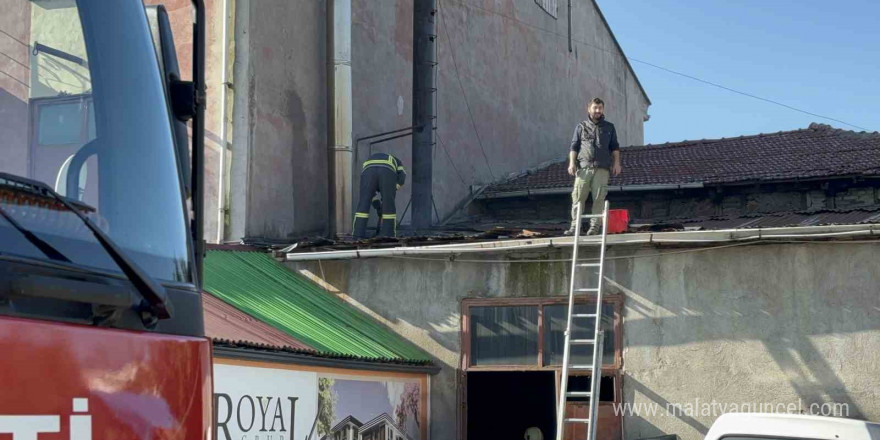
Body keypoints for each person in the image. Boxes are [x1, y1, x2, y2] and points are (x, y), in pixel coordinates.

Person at [565, 97, 622, 236]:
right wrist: (572, 163)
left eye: (600, 108)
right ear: (589, 109)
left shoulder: (609, 127)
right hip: (584, 167)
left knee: (599, 198)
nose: (597, 111)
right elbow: (574, 146)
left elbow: (614, 147)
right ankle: (575, 227)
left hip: (602, 168)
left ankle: (594, 228)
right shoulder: (581, 126)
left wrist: (617, 163)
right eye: (595, 108)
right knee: (578, 197)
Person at [353, 152, 406, 238]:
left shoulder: (370, 159)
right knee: (389, 206)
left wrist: (377, 206)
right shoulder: (397, 161)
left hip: (367, 172)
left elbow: (370, 194)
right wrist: (395, 187)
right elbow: (402, 175)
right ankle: (388, 235)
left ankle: (358, 234)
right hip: (386, 171)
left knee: (363, 204)